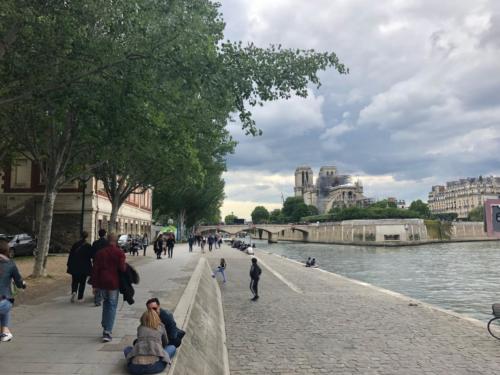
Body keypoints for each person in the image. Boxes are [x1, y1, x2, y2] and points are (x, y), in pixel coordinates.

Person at [91, 233, 126, 342]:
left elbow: (95, 270)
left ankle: (105, 323)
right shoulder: (119, 253)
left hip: (101, 282)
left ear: (107, 240)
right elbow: (122, 269)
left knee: (105, 304)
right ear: (116, 241)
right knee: (111, 305)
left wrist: (94, 285)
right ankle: (107, 331)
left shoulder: (100, 253)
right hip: (113, 283)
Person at [123, 309, 176, 375]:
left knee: (127, 349)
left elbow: (139, 341)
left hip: (135, 368)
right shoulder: (161, 327)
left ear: (143, 318)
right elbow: (165, 343)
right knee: (172, 347)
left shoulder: (140, 328)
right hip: (155, 367)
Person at [0, 239, 26, 342]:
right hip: (3, 301)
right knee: (6, 303)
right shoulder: (10, 264)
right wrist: (23, 285)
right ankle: (5, 331)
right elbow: (19, 282)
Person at [67, 231, 93, 303]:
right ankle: (80, 297)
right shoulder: (88, 245)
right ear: (87, 236)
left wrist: (69, 264)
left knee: (74, 280)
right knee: (82, 282)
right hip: (84, 266)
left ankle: (74, 291)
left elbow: (71, 255)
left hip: (75, 265)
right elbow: (91, 256)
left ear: (80, 236)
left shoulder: (75, 244)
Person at [91, 229, 108, 306]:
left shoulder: (95, 243)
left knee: (97, 280)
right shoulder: (107, 243)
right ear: (105, 234)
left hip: (96, 263)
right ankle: (103, 296)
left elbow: (92, 254)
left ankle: (97, 300)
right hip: (105, 264)